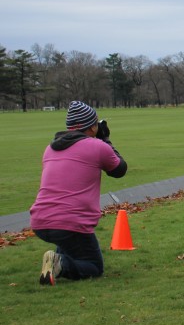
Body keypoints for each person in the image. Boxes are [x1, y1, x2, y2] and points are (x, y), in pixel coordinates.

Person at [30, 101, 128, 285]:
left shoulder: (50, 148)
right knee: (94, 266)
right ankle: (60, 264)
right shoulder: (97, 146)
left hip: (40, 220)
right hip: (70, 221)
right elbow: (119, 170)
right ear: (92, 126)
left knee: (69, 241)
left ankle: (54, 263)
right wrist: (106, 139)